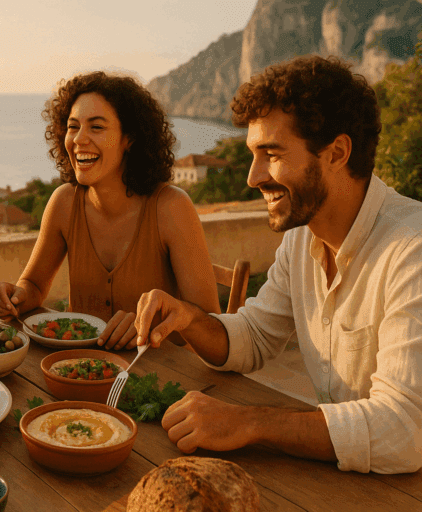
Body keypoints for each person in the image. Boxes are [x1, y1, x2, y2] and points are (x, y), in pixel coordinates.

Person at [135, 55, 422, 474]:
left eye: (270, 153)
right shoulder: (302, 237)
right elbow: (253, 336)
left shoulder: (410, 249)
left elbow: (402, 430)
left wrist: (249, 421)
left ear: (337, 153)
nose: (252, 177)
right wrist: (188, 318)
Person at [0, 71, 220, 350]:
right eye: (73, 126)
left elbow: (211, 325)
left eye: (96, 127)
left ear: (130, 139)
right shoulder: (64, 203)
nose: (78, 139)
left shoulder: (171, 208)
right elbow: (34, 286)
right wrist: (15, 297)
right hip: (79, 368)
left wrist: (149, 321)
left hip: (158, 374)